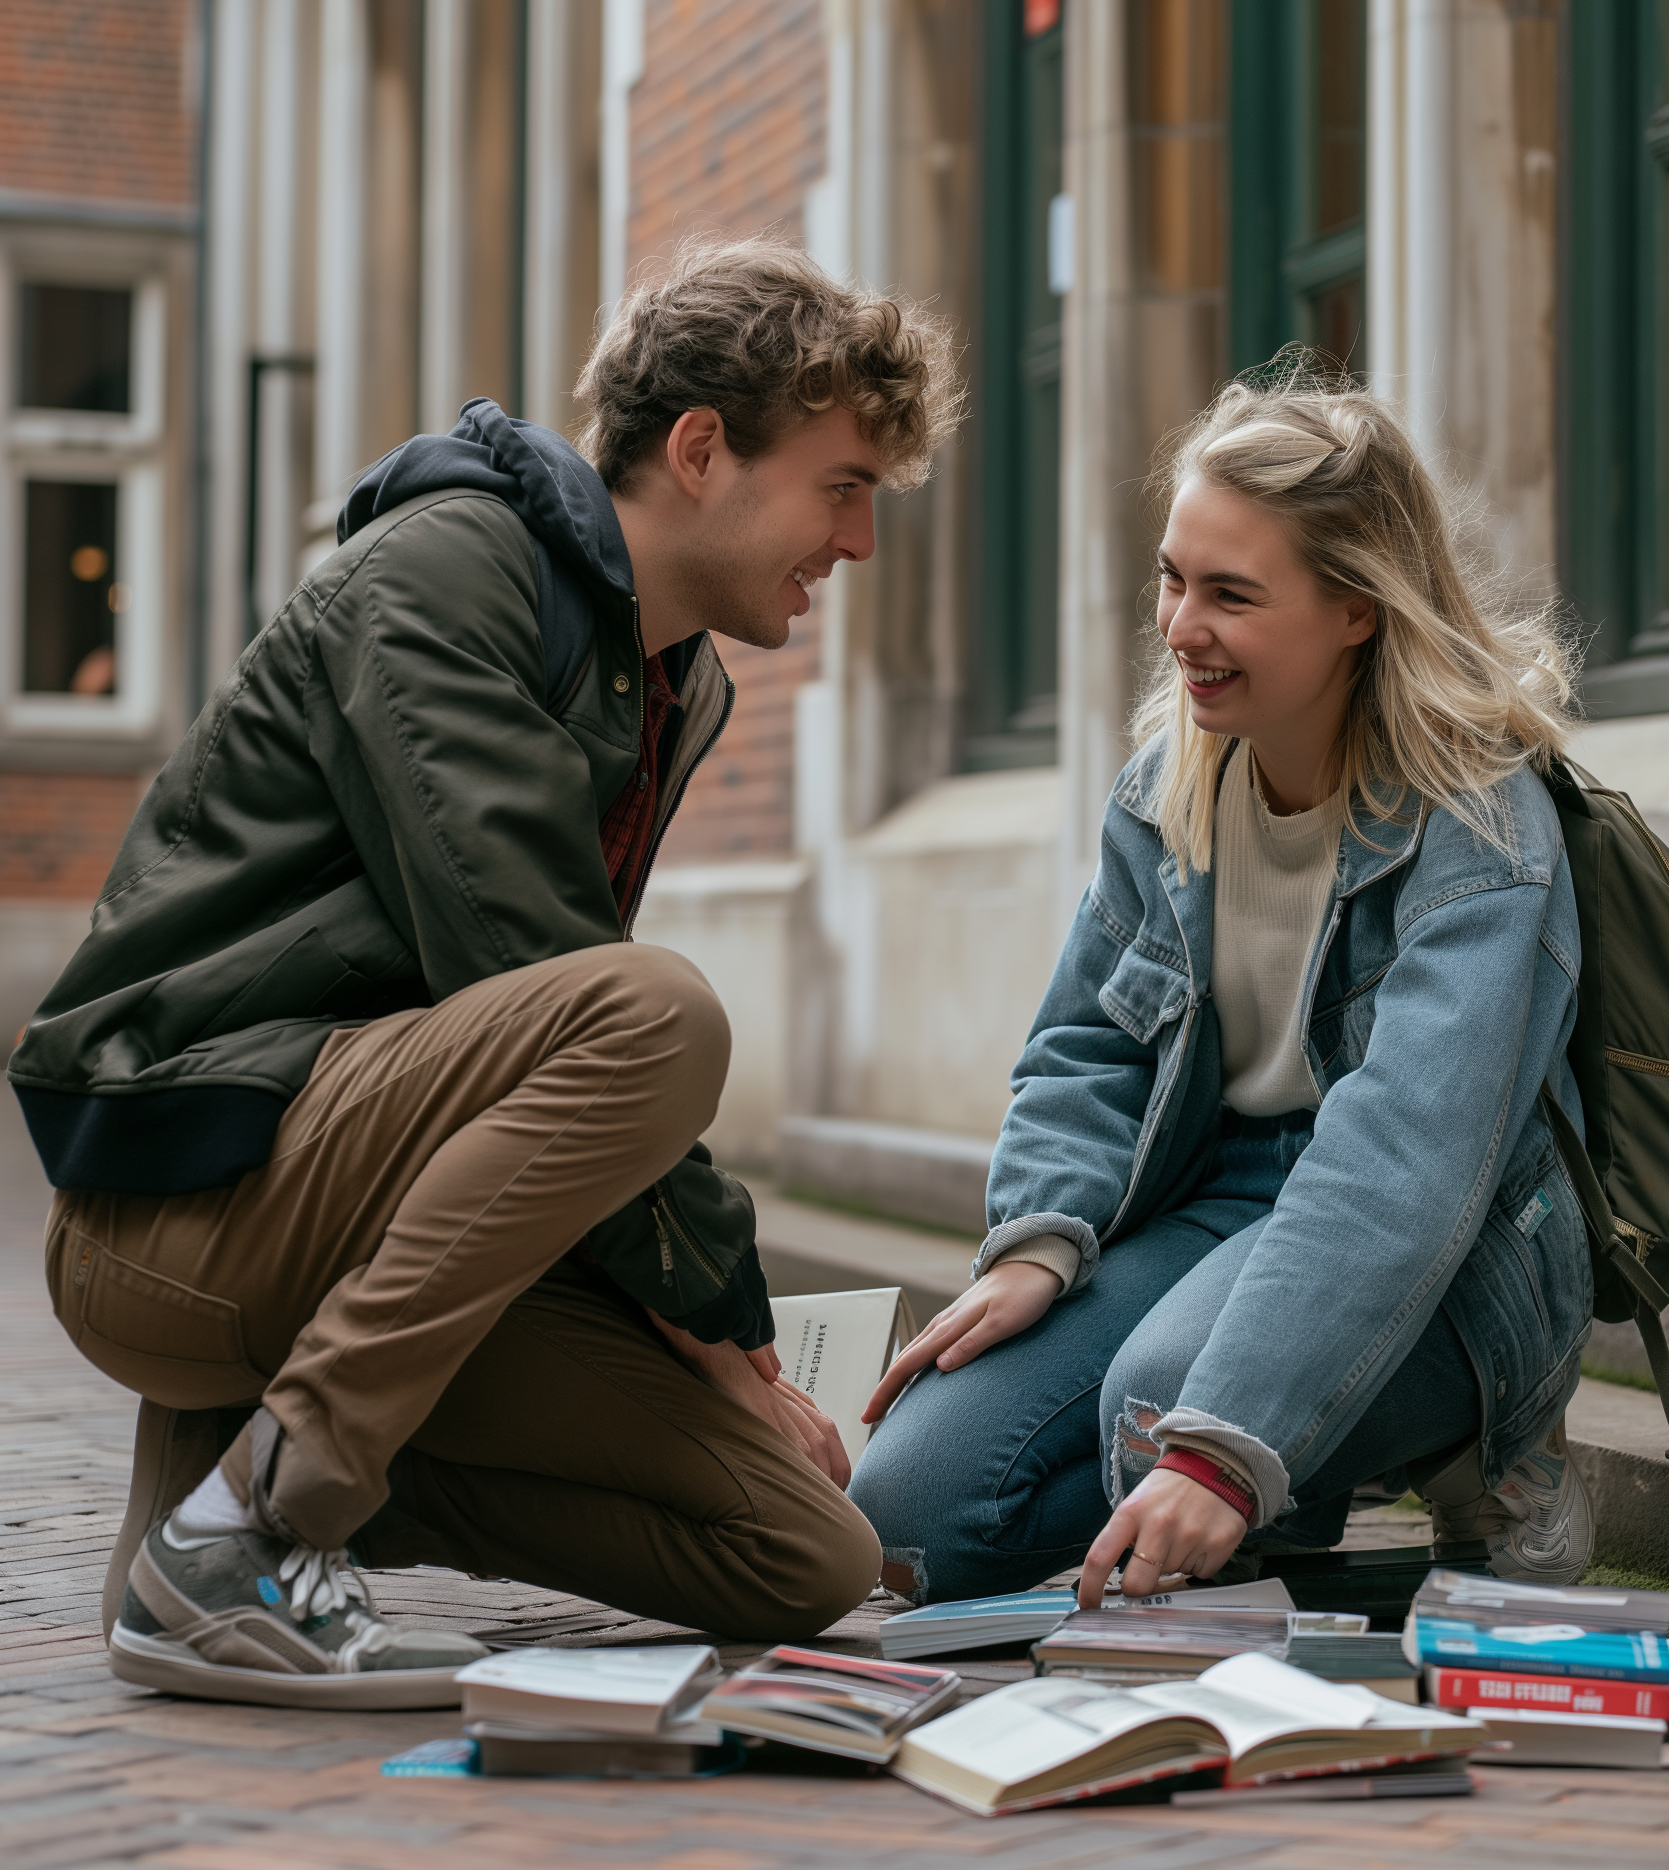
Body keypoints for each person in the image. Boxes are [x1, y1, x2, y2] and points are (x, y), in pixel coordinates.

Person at [12, 238, 959, 1706]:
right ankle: (264, 1522)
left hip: (347, 1181)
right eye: (843, 486)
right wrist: (728, 1337)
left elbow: (520, 1054)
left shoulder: (668, 678)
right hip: (180, 1201)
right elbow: (538, 967)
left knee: (806, 1555)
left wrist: (730, 1376)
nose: (859, 541)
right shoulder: (449, 571)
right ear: (702, 451)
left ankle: (229, 1505)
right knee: (656, 1013)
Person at [850, 360, 1593, 1610]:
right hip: (1218, 1197)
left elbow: (1404, 1163)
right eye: (1171, 576)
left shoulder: (1481, 833)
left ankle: (1472, 1446)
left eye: (1229, 594)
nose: (1178, 625)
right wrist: (1036, 1243)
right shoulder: (1166, 788)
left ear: (1356, 606)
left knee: (1162, 1408)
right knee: (913, 1511)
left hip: (1450, 1248)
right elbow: (1084, 1045)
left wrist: (1220, 1442)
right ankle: (1261, 1491)